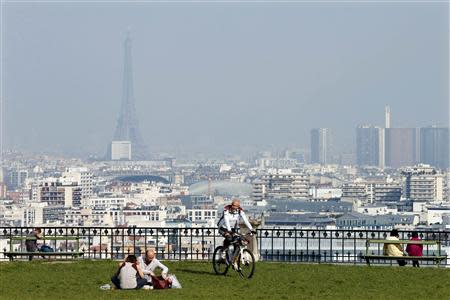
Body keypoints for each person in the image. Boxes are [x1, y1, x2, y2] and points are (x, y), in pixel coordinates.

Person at [217, 199, 256, 268]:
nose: (233, 207)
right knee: (229, 238)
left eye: (235, 206)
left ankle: (233, 260)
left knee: (238, 243)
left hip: (232, 229)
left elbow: (245, 220)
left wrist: (251, 229)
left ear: (238, 206)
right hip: (223, 227)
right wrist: (229, 231)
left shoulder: (240, 211)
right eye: (233, 205)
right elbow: (226, 221)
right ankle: (223, 253)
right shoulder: (226, 211)